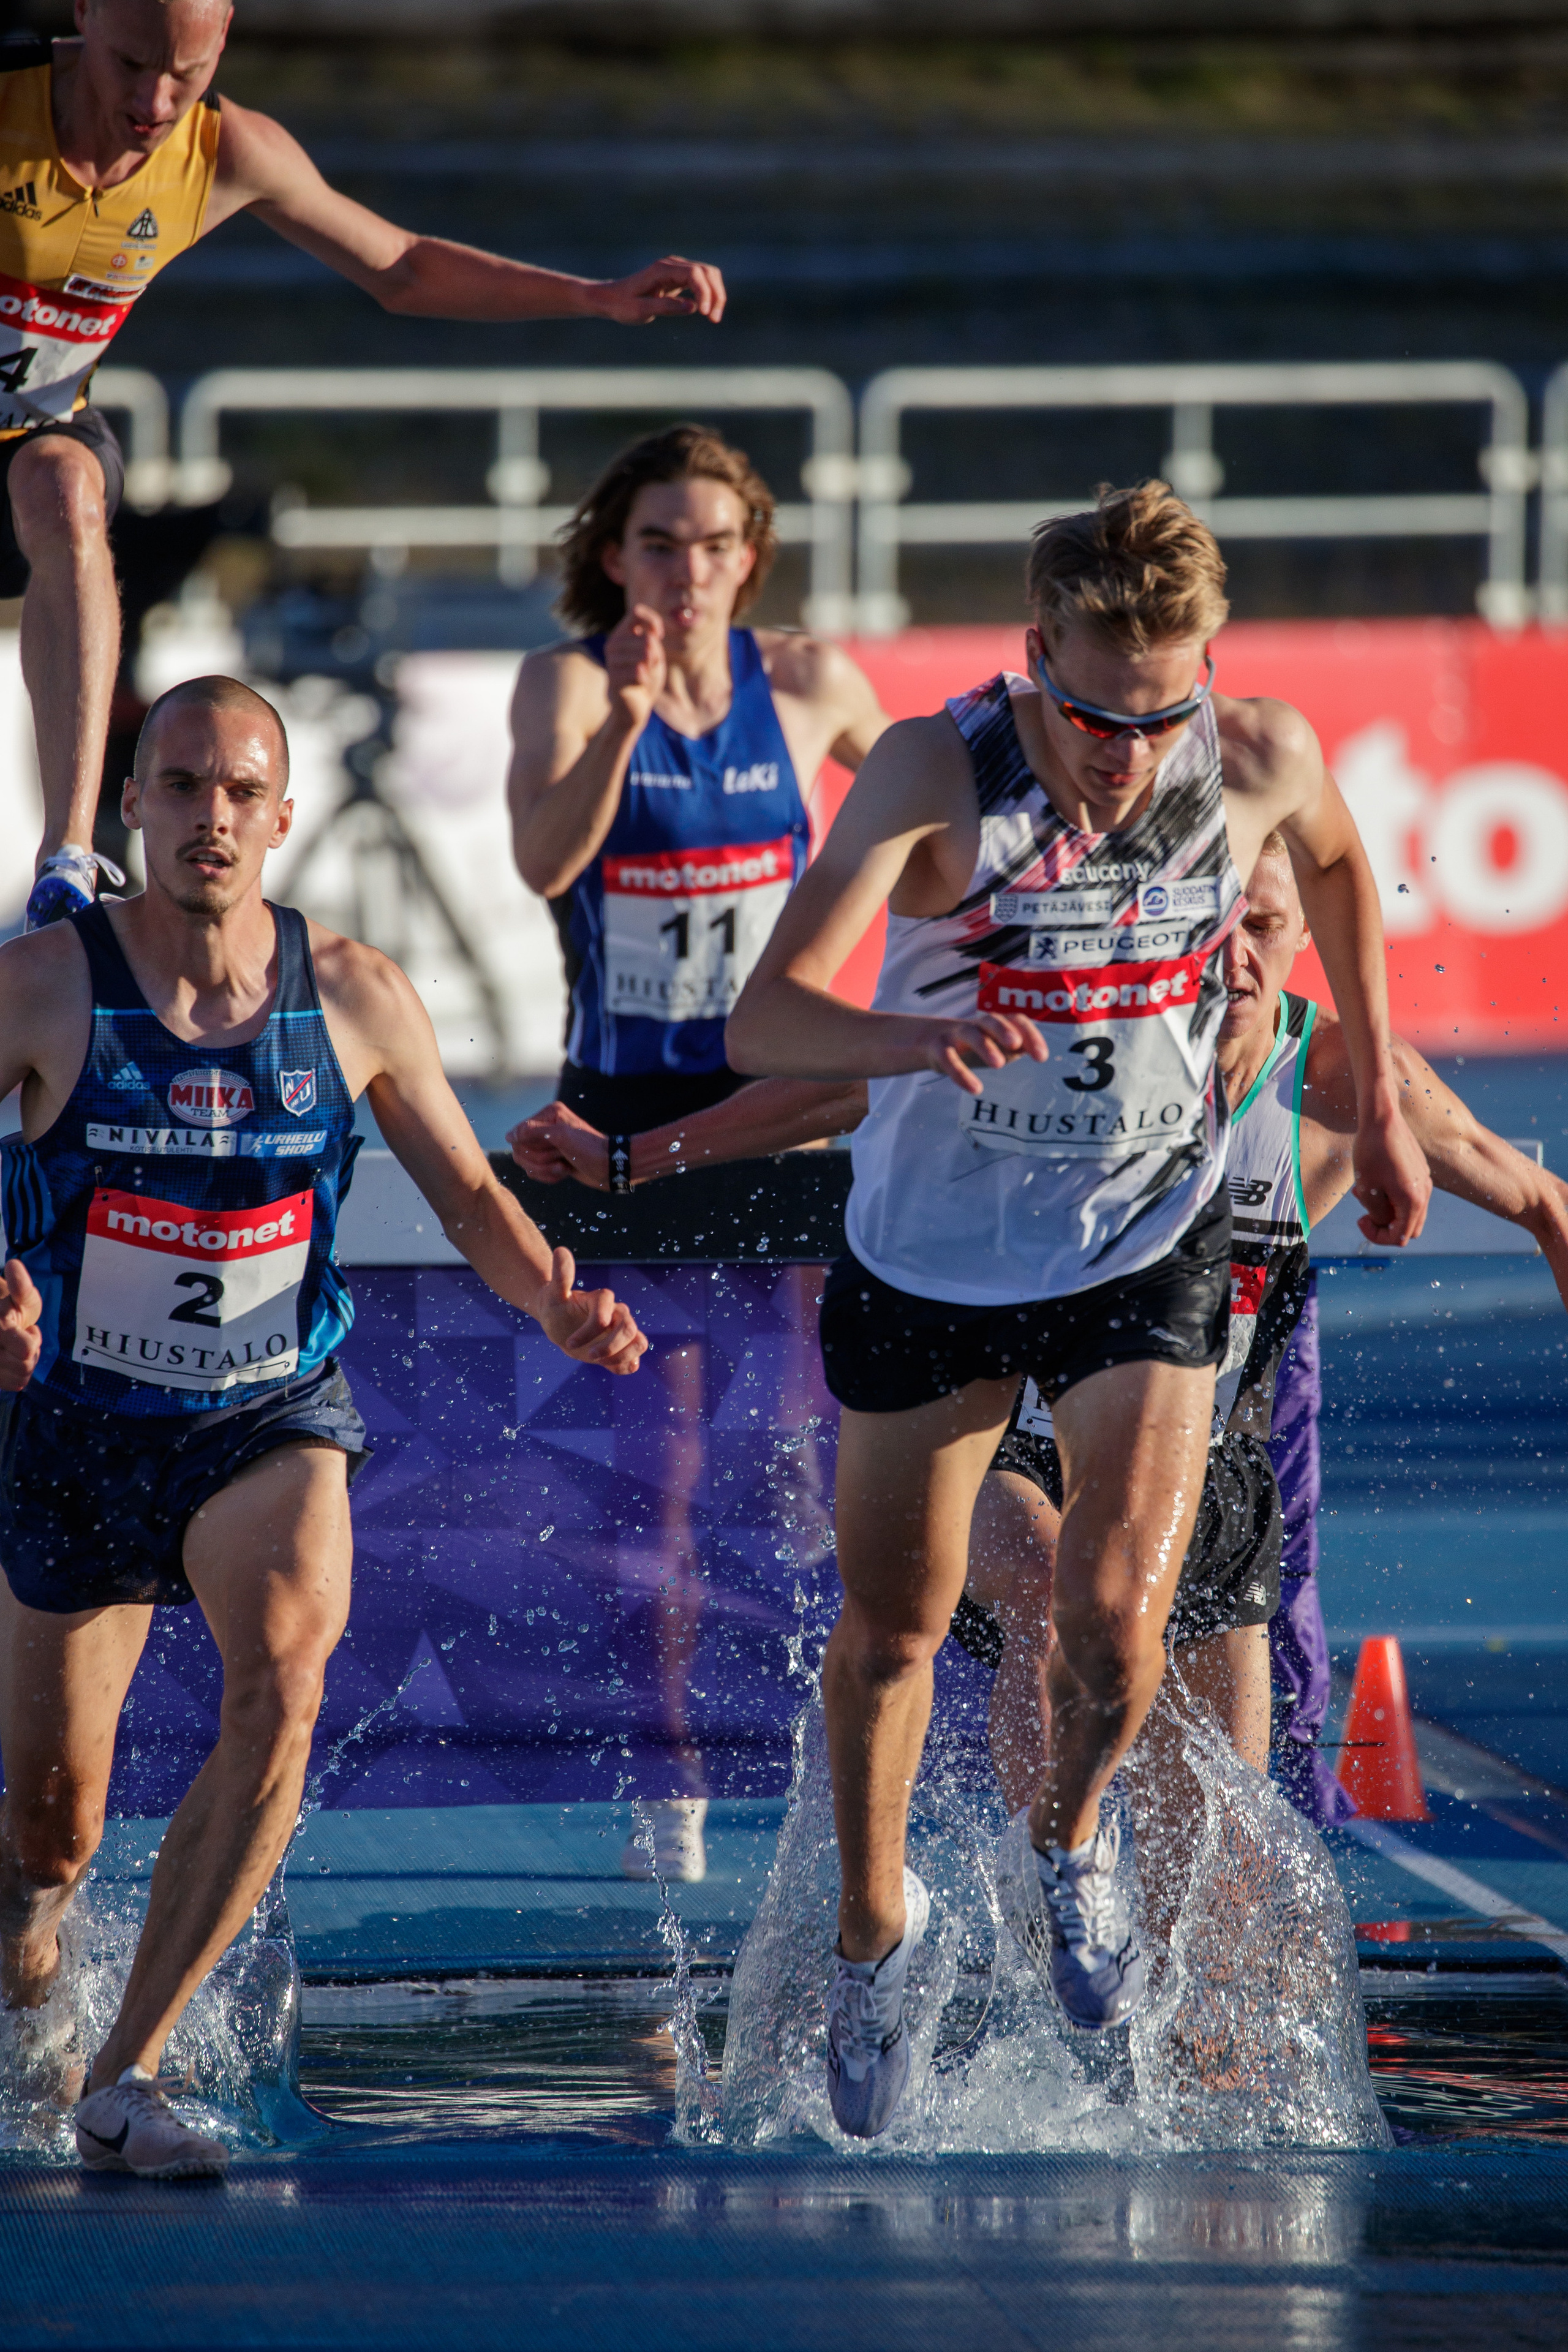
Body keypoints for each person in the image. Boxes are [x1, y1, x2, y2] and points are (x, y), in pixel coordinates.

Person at [723, 478, 1430, 2138]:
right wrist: (914, 1041)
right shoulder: (932, 769)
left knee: (1122, 1616)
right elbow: (770, 1018)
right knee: (895, 1634)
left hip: (1139, 1235)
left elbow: (1332, 862)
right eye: (1096, 716)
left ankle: (1069, 1839)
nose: (1126, 754)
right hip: (933, 1257)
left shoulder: (1250, 753)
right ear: (1034, 653)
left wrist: (1382, 1095)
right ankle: (872, 1934)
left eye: (1160, 713)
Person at [0, 674, 647, 2181]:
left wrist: (554, 1303)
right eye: (180, 787)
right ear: (135, 808)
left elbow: (472, 1198)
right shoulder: (41, 983)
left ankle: (126, 2070)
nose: (208, 817)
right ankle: (40, 2016)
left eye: (239, 792)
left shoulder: (350, 991)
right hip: (80, 1434)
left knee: (285, 1679)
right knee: (45, 1847)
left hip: (267, 1412)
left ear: (281, 818)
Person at [1, 2, 726, 932]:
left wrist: (592, 296)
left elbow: (404, 269)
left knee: (67, 489)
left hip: (36, 440)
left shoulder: (229, 153)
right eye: (131, 64)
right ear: (85, 16)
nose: (152, 101)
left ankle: (68, 858)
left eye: (182, 72)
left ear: (222, 36)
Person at [507, 422, 887, 1882]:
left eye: (711, 544)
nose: (684, 570)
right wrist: (622, 719)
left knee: (814, 1465)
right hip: (620, 1128)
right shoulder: (566, 682)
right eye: (656, 543)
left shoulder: (808, 686)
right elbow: (546, 861)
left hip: (783, 1117)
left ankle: (835, 1746)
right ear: (613, 556)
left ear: (752, 556)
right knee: (656, 1483)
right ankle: (665, 1780)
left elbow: (940, 809)